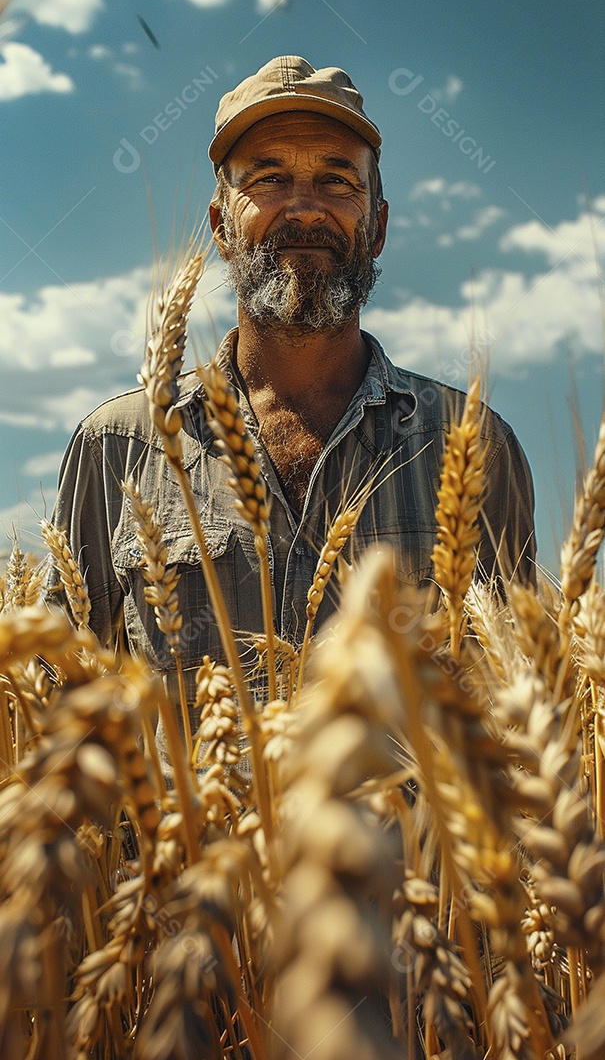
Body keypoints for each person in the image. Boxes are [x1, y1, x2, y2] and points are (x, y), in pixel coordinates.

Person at [50, 55, 536, 697]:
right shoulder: (118, 446)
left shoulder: (472, 446)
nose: (305, 209)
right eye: (270, 179)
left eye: (338, 181)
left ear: (379, 227)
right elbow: (57, 698)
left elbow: (516, 698)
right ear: (222, 227)